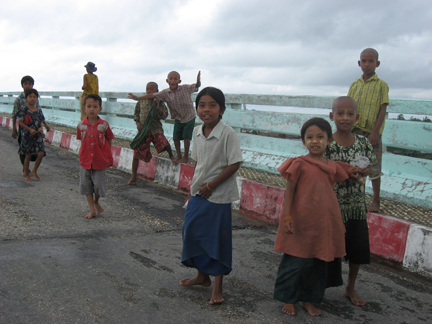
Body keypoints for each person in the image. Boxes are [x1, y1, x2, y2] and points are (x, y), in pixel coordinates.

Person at [273, 117, 359, 317]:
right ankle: (290, 299)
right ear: (303, 141)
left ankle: (309, 300)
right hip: (301, 222)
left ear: (329, 140)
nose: (315, 141)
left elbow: (344, 169)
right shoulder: (299, 164)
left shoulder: (331, 165)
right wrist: (287, 218)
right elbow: (290, 192)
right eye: (309, 137)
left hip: (324, 223)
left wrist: (356, 172)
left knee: (318, 264)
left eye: (320, 137)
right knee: (295, 263)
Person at [179, 87, 243, 305]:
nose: (207, 109)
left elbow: (234, 164)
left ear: (222, 110)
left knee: (217, 240)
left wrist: (212, 186)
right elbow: (198, 164)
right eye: (202, 105)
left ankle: (218, 286)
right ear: (197, 109)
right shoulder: (196, 132)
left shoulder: (228, 134)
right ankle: (201, 276)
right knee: (192, 232)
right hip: (198, 193)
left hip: (219, 196)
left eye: (212, 105)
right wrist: (192, 190)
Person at [326, 96, 377, 306]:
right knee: (327, 250)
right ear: (332, 116)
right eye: (340, 113)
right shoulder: (327, 143)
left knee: (357, 250)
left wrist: (366, 170)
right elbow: (322, 170)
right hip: (333, 205)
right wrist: (346, 173)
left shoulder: (363, 142)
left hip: (356, 206)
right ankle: (318, 287)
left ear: (357, 117)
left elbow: (373, 166)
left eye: (349, 114)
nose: (345, 118)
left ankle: (350, 287)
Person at [128, 71, 201, 164]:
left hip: (189, 116)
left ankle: (185, 156)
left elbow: (196, 86)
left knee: (186, 136)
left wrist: (198, 81)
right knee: (176, 137)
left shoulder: (185, 88)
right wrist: (138, 98)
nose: (173, 80)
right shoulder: (165, 93)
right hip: (178, 118)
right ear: (167, 81)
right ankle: (178, 155)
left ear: (179, 81)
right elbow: (151, 95)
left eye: (175, 78)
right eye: (171, 78)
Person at [348, 48, 389, 212]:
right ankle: (357, 198)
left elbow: (383, 109)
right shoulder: (355, 85)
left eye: (371, 61)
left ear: (377, 64)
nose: (367, 64)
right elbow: (349, 106)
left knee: (374, 166)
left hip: (372, 133)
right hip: (355, 132)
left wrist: (375, 132)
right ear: (359, 63)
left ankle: (376, 200)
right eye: (364, 61)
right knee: (356, 165)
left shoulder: (381, 85)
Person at [126, 82, 175, 185]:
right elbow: (136, 113)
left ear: (157, 91)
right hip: (144, 131)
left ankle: (171, 156)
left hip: (155, 129)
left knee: (164, 143)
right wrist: (137, 122)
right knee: (136, 154)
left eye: (152, 89)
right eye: (148, 89)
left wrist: (158, 109)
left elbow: (164, 115)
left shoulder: (160, 102)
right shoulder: (141, 101)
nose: (149, 91)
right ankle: (134, 176)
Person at [76, 94, 114, 219]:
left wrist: (107, 156)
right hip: (85, 160)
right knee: (86, 186)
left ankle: (96, 201)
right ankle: (92, 209)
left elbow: (109, 140)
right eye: (89, 106)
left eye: (95, 106)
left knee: (98, 185)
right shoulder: (81, 125)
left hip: (99, 161)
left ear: (100, 109)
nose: (92, 109)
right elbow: (81, 141)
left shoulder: (104, 125)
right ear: (84, 108)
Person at [12, 76, 50, 169]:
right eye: (26, 84)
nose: (28, 86)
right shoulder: (19, 99)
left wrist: (45, 125)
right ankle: (25, 168)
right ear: (22, 85)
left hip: (36, 127)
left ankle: (30, 167)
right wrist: (14, 129)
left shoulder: (34, 98)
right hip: (24, 127)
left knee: (36, 148)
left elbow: (39, 114)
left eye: (30, 84)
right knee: (23, 147)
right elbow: (14, 114)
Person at [16, 89, 48, 181]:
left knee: (41, 153)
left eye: (34, 97)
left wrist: (41, 128)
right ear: (26, 98)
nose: (32, 99)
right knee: (28, 155)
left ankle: (34, 171)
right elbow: (21, 122)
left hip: (38, 135)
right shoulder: (24, 109)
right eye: (30, 97)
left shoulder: (38, 110)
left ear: (37, 98)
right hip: (27, 135)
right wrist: (29, 129)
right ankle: (26, 174)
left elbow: (41, 121)